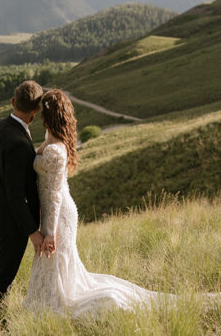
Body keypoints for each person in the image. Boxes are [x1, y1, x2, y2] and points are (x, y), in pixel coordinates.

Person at [23, 89, 168, 316]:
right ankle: (46, 305)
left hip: (59, 213)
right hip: (57, 212)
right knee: (54, 263)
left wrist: (50, 232)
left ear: (46, 117)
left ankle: (52, 308)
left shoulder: (55, 151)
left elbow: (54, 196)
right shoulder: (51, 141)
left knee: (54, 259)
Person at [0, 80, 46, 320]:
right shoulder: (18, 143)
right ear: (35, 111)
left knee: (3, 269)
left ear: (13, 102)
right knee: (5, 273)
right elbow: (15, 194)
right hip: (12, 221)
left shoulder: (0, 126)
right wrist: (32, 231)